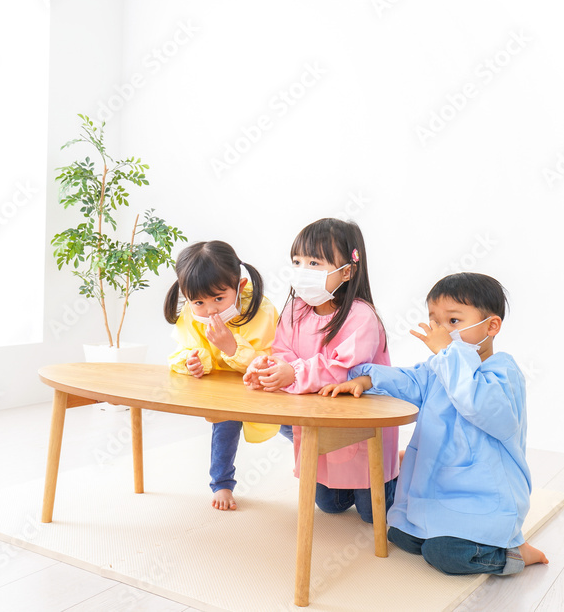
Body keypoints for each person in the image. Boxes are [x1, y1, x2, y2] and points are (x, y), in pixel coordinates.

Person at [320, 272, 548, 575]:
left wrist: (447, 353)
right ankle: (435, 524)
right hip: (438, 486)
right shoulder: (440, 367)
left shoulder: (503, 372)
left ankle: (514, 554)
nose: (441, 331)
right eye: (436, 321)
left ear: (491, 326)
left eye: (453, 321)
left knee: (444, 554)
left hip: (481, 498)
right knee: (400, 534)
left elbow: (477, 404)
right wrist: (367, 379)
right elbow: (411, 380)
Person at [244, 218, 398, 523]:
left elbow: (344, 369)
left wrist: (294, 373)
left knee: (373, 515)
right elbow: (282, 351)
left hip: (357, 424)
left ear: (347, 271)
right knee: (330, 505)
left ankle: (401, 471)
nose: (303, 271)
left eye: (314, 263)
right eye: (297, 262)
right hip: (317, 417)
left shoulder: (361, 316)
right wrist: (267, 368)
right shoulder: (295, 310)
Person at [164, 241, 279, 511]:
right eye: (199, 302)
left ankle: (315, 461)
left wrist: (231, 348)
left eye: (218, 298)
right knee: (224, 429)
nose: (210, 310)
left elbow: (270, 360)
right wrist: (193, 362)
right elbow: (180, 352)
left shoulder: (261, 310)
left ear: (239, 286)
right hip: (224, 391)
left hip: (264, 386)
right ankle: (221, 483)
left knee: (292, 426)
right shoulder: (191, 315)